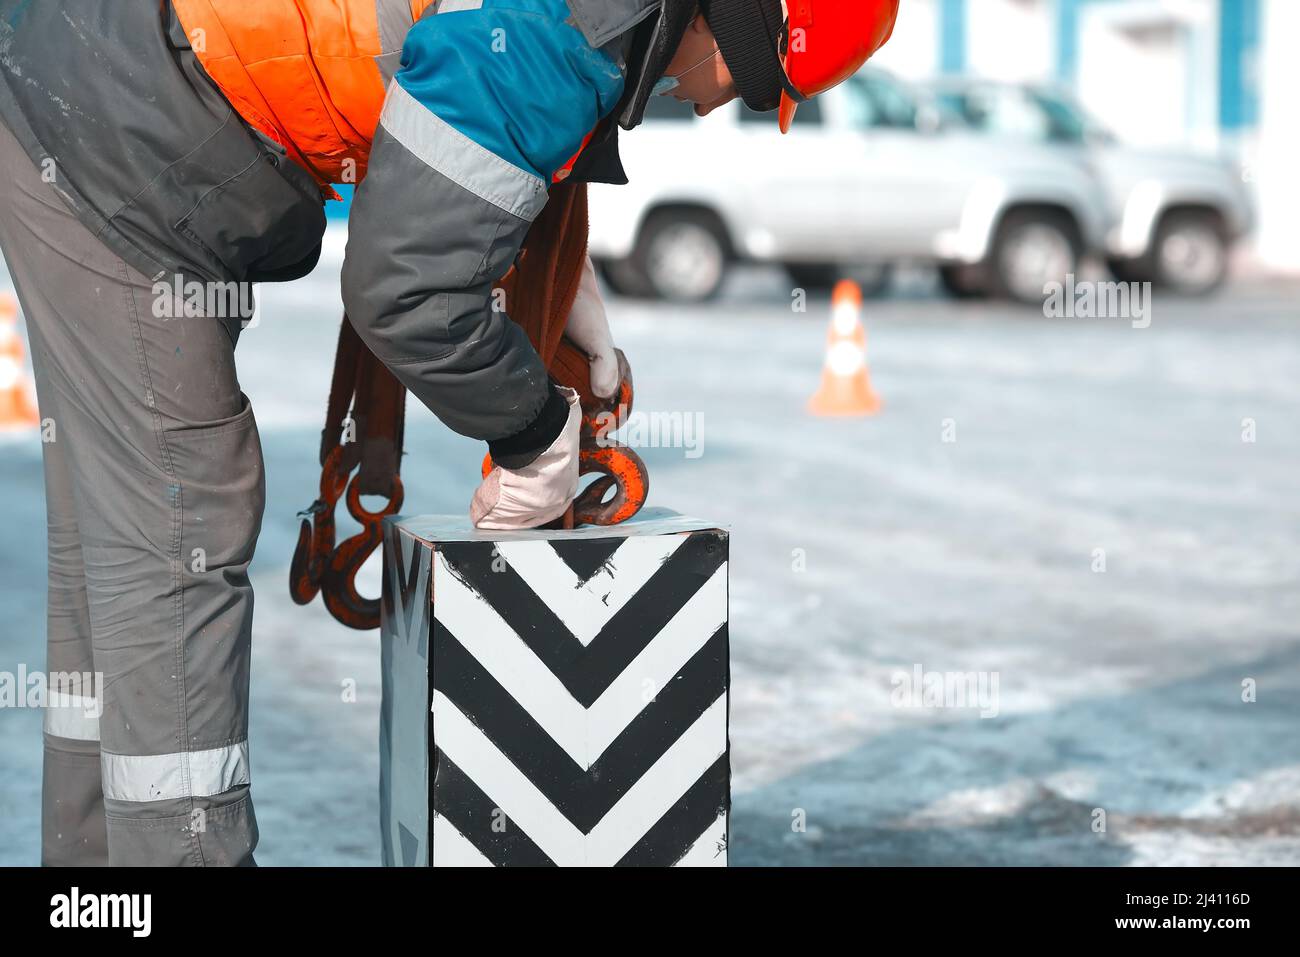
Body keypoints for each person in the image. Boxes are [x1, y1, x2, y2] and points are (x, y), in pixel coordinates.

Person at [0, 0, 899, 866]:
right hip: (123, 126)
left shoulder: (594, 17)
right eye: (746, 85)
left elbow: (442, 130)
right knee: (179, 519)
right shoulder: (579, 27)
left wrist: (554, 276)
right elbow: (406, 292)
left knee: (117, 551)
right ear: (737, 26)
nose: (709, 106)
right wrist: (534, 431)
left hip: (89, 81)